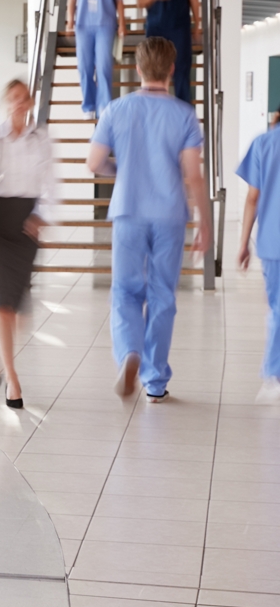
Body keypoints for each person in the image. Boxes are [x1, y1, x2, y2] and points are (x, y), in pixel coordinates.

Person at [87, 37, 211, 401]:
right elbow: (193, 175)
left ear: (137, 69)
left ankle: (130, 353)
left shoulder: (115, 110)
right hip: (170, 214)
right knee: (162, 295)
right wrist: (205, 222)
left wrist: (121, 170)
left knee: (125, 291)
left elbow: (94, 163)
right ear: (172, 69)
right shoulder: (184, 114)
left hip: (128, 210)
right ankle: (155, 381)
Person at [0, 80, 53, 408]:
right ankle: (12, 381)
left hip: (26, 225)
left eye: (24, 98)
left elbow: (51, 183)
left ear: (30, 102)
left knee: (18, 308)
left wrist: (41, 215)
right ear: (6, 103)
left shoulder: (41, 139)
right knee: (3, 302)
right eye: (13, 98)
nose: (19, 103)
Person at [236, 123, 280, 403]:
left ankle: (274, 375)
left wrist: (243, 243)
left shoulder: (264, 143)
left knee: (278, 309)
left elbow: (253, 198)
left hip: (273, 242)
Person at [66, 0, 127, 117]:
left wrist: (122, 24)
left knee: (103, 66)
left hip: (105, 25)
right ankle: (89, 104)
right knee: (84, 67)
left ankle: (104, 105)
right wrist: (70, 20)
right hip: (83, 26)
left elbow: (119, 1)